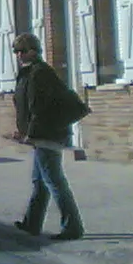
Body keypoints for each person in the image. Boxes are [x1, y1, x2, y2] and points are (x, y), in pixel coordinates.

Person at [9, 32, 85, 241]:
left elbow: (38, 108)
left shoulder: (40, 73)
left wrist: (29, 134)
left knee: (53, 180)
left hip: (47, 134)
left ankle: (72, 227)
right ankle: (32, 223)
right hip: (40, 134)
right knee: (40, 181)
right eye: (16, 51)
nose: (19, 55)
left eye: (23, 51)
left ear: (34, 50)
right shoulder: (29, 73)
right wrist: (24, 131)